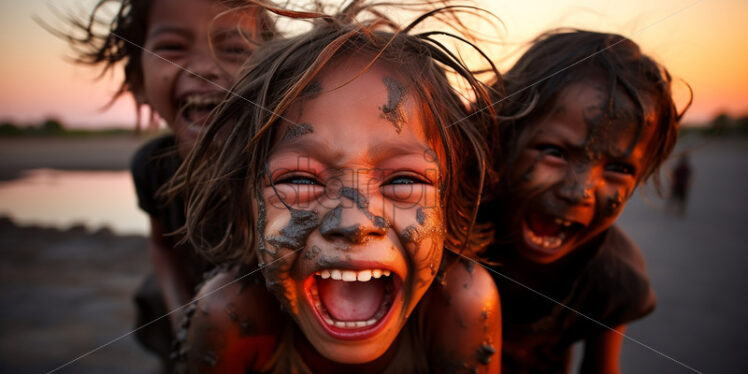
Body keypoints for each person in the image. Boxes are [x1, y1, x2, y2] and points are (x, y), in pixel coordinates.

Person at [170, 2, 503, 372]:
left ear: (449, 208)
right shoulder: (230, 315)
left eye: (404, 180)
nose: (354, 222)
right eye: (299, 179)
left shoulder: (459, 305)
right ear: (245, 210)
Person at [59, 0, 274, 370]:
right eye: (172, 47)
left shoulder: (284, 164)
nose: (205, 68)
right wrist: (181, 320)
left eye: (235, 48)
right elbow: (162, 246)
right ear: (138, 83)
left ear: (276, 72)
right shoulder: (153, 167)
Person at [480, 29, 690, 374]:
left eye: (618, 168)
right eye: (555, 152)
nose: (579, 192)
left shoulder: (613, 279)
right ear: (499, 136)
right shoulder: (452, 237)